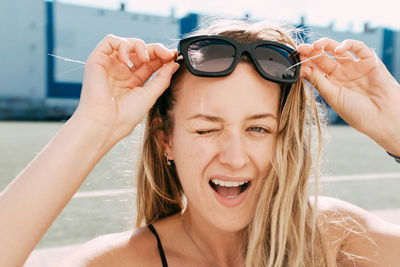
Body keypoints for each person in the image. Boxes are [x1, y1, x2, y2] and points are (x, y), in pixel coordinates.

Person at [1, 19, 400, 267]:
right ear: (165, 142)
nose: (234, 156)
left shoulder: (338, 242)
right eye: (206, 129)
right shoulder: (115, 262)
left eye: (259, 129)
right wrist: (92, 128)